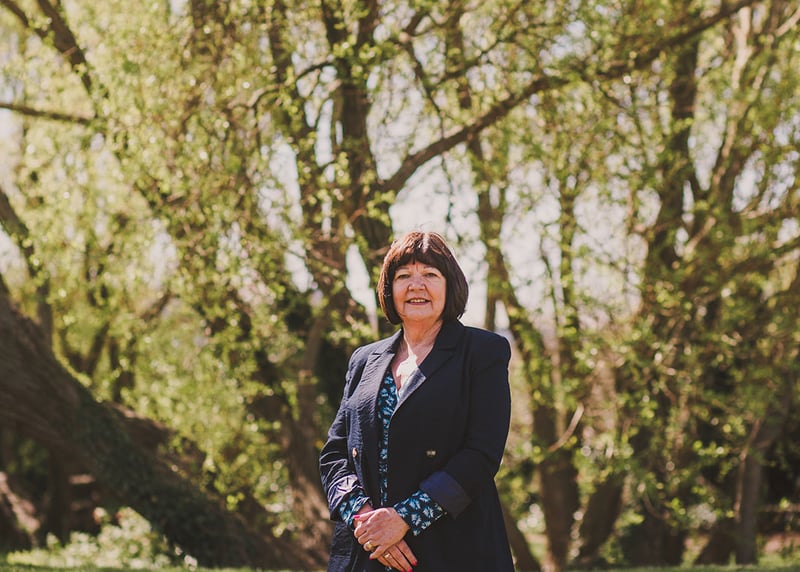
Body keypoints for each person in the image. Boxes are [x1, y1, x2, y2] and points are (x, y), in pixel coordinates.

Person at [319, 231, 514, 571]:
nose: (416, 285)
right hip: (367, 553)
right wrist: (367, 521)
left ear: (450, 286)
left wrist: (403, 518)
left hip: (452, 549)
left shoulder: (483, 352)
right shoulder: (363, 360)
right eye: (404, 276)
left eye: (430, 274)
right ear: (389, 289)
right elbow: (335, 454)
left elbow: (481, 454)